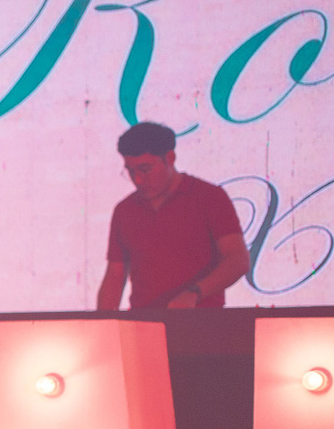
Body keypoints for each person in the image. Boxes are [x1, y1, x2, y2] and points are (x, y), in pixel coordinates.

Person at [94, 120, 250, 311]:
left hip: (202, 319)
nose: (138, 179)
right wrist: (101, 323)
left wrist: (195, 293)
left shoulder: (209, 197)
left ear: (170, 157)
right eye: (131, 171)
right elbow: (114, 277)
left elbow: (237, 259)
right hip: (142, 322)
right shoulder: (125, 210)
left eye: (145, 169)